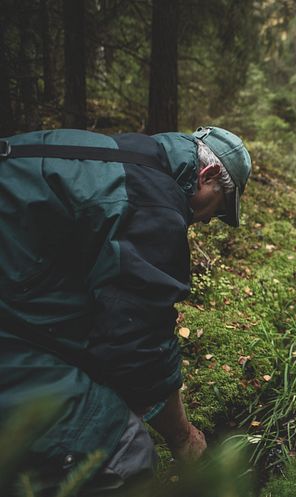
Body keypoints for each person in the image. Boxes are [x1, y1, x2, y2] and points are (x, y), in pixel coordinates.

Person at [0, 126, 252, 493]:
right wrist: (183, 437)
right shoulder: (154, 206)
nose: (208, 220)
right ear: (208, 175)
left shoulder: (120, 155)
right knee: (123, 451)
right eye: (219, 207)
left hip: (16, 297)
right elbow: (138, 346)